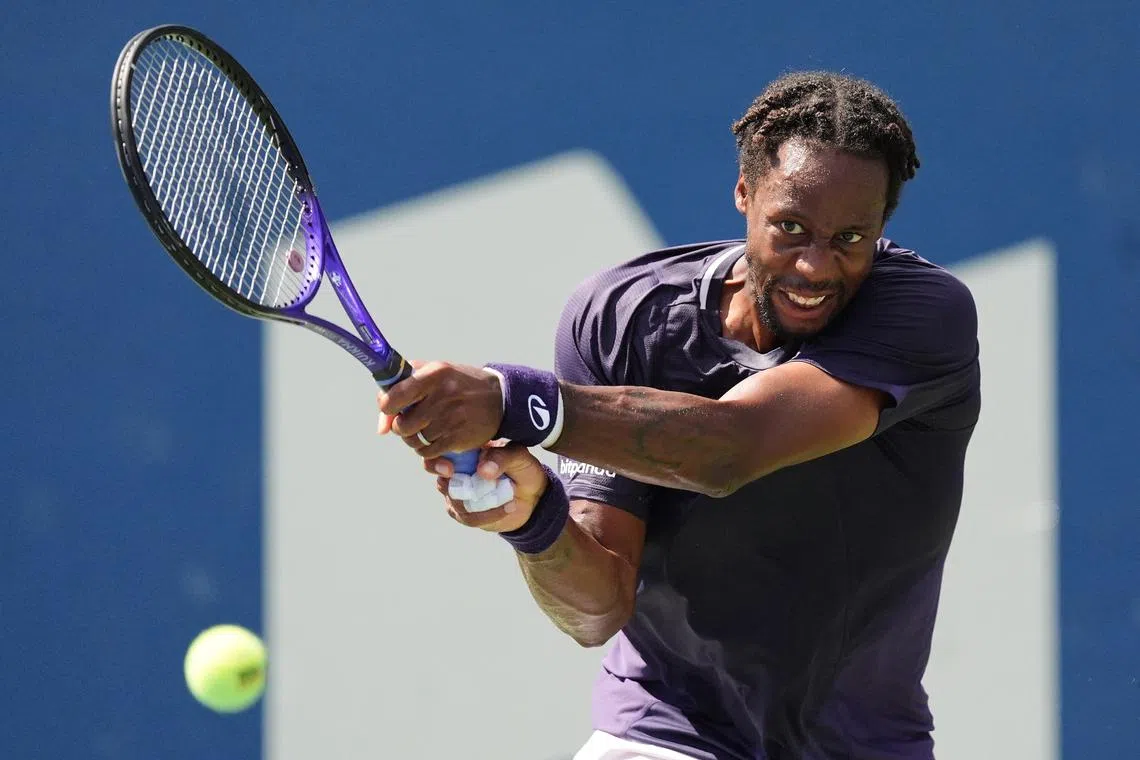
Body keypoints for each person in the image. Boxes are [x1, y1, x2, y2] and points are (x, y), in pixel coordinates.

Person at [377, 71, 980, 760]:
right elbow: (597, 609)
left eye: (850, 238)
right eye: (790, 228)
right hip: (666, 731)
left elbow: (730, 449)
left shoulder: (924, 316)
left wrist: (516, 401)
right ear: (744, 195)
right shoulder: (620, 318)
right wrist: (533, 517)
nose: (816, 266)